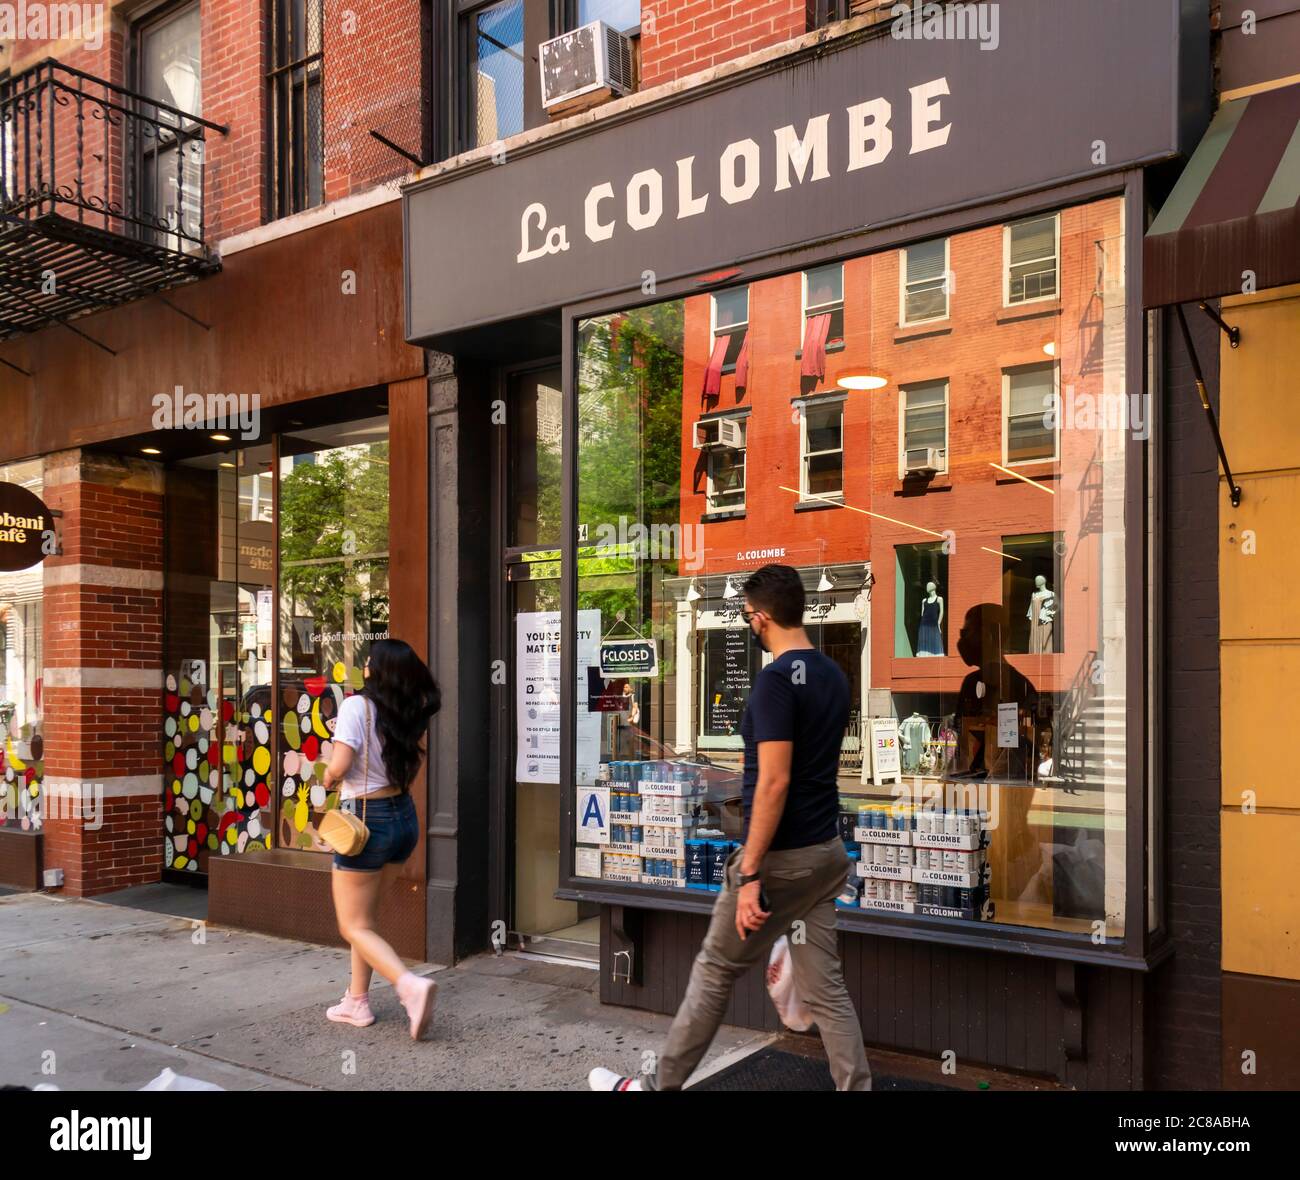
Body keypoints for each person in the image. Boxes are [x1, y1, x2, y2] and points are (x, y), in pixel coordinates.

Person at [589, 563, 872, 1091]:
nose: (748, 625)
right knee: (827, 992)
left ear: (761, 618)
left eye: (746, 617)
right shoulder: (833, 675)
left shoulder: (773, 683)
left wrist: (750, 874)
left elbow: (772, 783)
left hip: (780, 858)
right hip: (824, 854)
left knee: (715, 971)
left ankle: (655, 1087)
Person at [322, 637, 441, 1039]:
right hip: (403, 818)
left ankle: (409, 986)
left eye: (369, 662)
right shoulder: (402, 713)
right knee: (367, 921)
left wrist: (326, 773)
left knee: (351, 925)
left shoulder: (357, 706)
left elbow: (339, 765)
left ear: (378, 670)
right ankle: (356, 1001)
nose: (366, 667)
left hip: (366, 821)